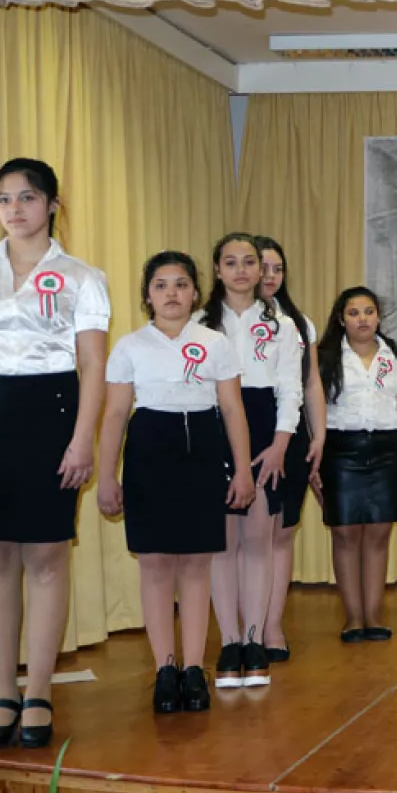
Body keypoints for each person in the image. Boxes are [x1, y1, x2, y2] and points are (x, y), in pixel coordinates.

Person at [0, 158, 109, 749]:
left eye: (28, 197)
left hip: (53, 414)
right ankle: (2, 693)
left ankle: (39, 692)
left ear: (52, 205)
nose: (14, 209)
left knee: (48, 557)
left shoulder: (83, 277)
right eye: (4, 198)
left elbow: (93, 365)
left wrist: (82, 439)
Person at [96, 252, 255, 714]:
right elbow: (115, 415)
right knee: (155, 563)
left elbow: (232, 409)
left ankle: (193, 668)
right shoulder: (129, 346)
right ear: (147, 295)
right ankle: (165, 669)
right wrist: (106, 476)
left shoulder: (215, 343)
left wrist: (242, 469)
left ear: (195, 293)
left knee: (196, 565)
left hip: (202, 447)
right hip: (150, 448)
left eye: (181, 284)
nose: (171, 293)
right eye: (161, 285)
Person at [198, 233, 302, 688]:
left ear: (261, 270)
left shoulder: (283, 326)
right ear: (217, 270)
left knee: (259, 537)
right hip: (213, 425)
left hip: (265, 427)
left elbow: (291, 389)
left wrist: (281, 443)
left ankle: (256, 637)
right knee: (223, 542)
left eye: (249, 262)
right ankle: (230, 641)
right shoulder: (200, 324)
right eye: (231, 262)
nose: (241, 270)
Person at [317, 287, 397, 642]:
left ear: (378, 317)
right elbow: (312, 413)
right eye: (353, 313)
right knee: (345, 533)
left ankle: (373, 616)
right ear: (341, 319)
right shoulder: (323, 359)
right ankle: (353, 617)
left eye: (369, 312)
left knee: (378, 533)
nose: (362, 319)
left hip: (387, 450)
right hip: (339, 450)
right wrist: (313, 459)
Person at [255, 236, 326, 662]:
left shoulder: (300, 323)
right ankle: (244, 628)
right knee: (246, 536)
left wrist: (318, 434)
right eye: (261, 267)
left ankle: (272, 626)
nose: (269, 276)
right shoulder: (218, 320)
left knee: (282, 531)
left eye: (277, 269)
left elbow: (311, 382)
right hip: (245, 428)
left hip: (292, 429)